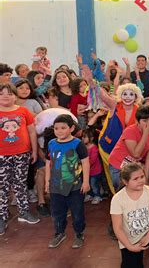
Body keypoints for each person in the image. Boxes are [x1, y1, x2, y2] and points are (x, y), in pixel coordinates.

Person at [110, 162, 149, 268]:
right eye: (135, 179)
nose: (141, 180)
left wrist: (148, 236)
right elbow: (117, 228)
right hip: (130, 239)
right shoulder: (117, 199)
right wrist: (130, 247)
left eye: (142, 176)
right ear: (125, 181)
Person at [0, 83, 40, 235]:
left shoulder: (23, 111)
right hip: (2, 155)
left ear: (15, 96)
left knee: (20, 183)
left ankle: (24, 212)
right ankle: (2, 216)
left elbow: (31, 132)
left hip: (22, 154)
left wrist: (34, 151)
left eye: (9, 93)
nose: (6, 96)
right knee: (2, 186)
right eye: (2, 93)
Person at [45, 114, 90, 249]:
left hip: (75, 186)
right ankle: (59, 233)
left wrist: (86, 182)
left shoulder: (77, 143)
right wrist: (47, 181)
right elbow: (48, 163)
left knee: (77, 211)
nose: (59, 131)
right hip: (56, 186)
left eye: (63, 128)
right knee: (57, 211)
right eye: (56, 128)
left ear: (71, 128)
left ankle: (79, 234)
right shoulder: (51, 143)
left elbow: (85, 163)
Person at [108, 106, 149, 192]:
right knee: (122, 192)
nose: (148, 123)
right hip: (118, 164)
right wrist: (146, 134)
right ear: (137, 121)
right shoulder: (130, 130)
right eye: (145, 120)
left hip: (133, 166)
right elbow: (135, 154)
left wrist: (145, 177)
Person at [82, 128, 102, 205]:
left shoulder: (94, 148)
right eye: (82, 137)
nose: (83, 138)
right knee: (89, 183)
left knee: (94, 184)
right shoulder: (84, 147)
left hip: (95, 171)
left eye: (85, 137)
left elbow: (93, 160)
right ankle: (91, 195)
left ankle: (97, 196)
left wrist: (84, 164)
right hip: (88, 171)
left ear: (91, 138)